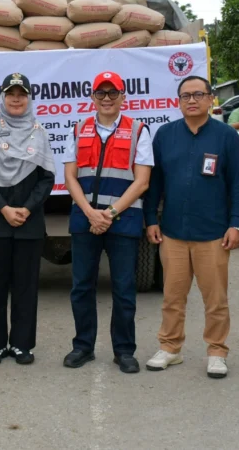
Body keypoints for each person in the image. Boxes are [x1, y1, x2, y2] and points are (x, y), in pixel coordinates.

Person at [143, 75, 239, 379]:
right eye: (185, 95)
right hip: (173, 232)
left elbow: (238, 183)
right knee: (172, 297)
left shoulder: (226, 135)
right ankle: (170, 348)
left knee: (216, 300)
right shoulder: (165, 135)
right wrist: (151, 218)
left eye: (198, 94)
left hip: (214, 233)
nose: (192, 100)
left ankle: (216, 351)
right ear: (178, 101)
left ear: (210, 98)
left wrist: (236, 224)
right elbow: (155, 182)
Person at [62, 71, 152, 374]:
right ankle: (82, 346)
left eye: (113, 93)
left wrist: (108, 214)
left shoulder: (139, 130)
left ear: (123, 97)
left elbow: (141, 182)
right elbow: (70, 177)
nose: (107, 99)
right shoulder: (78, 128)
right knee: (82, 287)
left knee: (124, 289)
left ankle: (124, 350)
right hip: (84, 219)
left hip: (122, 221)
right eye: (101, 93)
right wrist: (90, 212)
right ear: (93, 97)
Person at [0, 73, 55, 366]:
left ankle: (21, 344)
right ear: (3, 98)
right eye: (11, 94)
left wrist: (28, 208)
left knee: (26, 286)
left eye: (21, 94)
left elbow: (47, 179)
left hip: (29, 222)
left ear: (29, 98)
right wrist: (5, 209)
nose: (16, 99)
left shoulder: (40, 133)